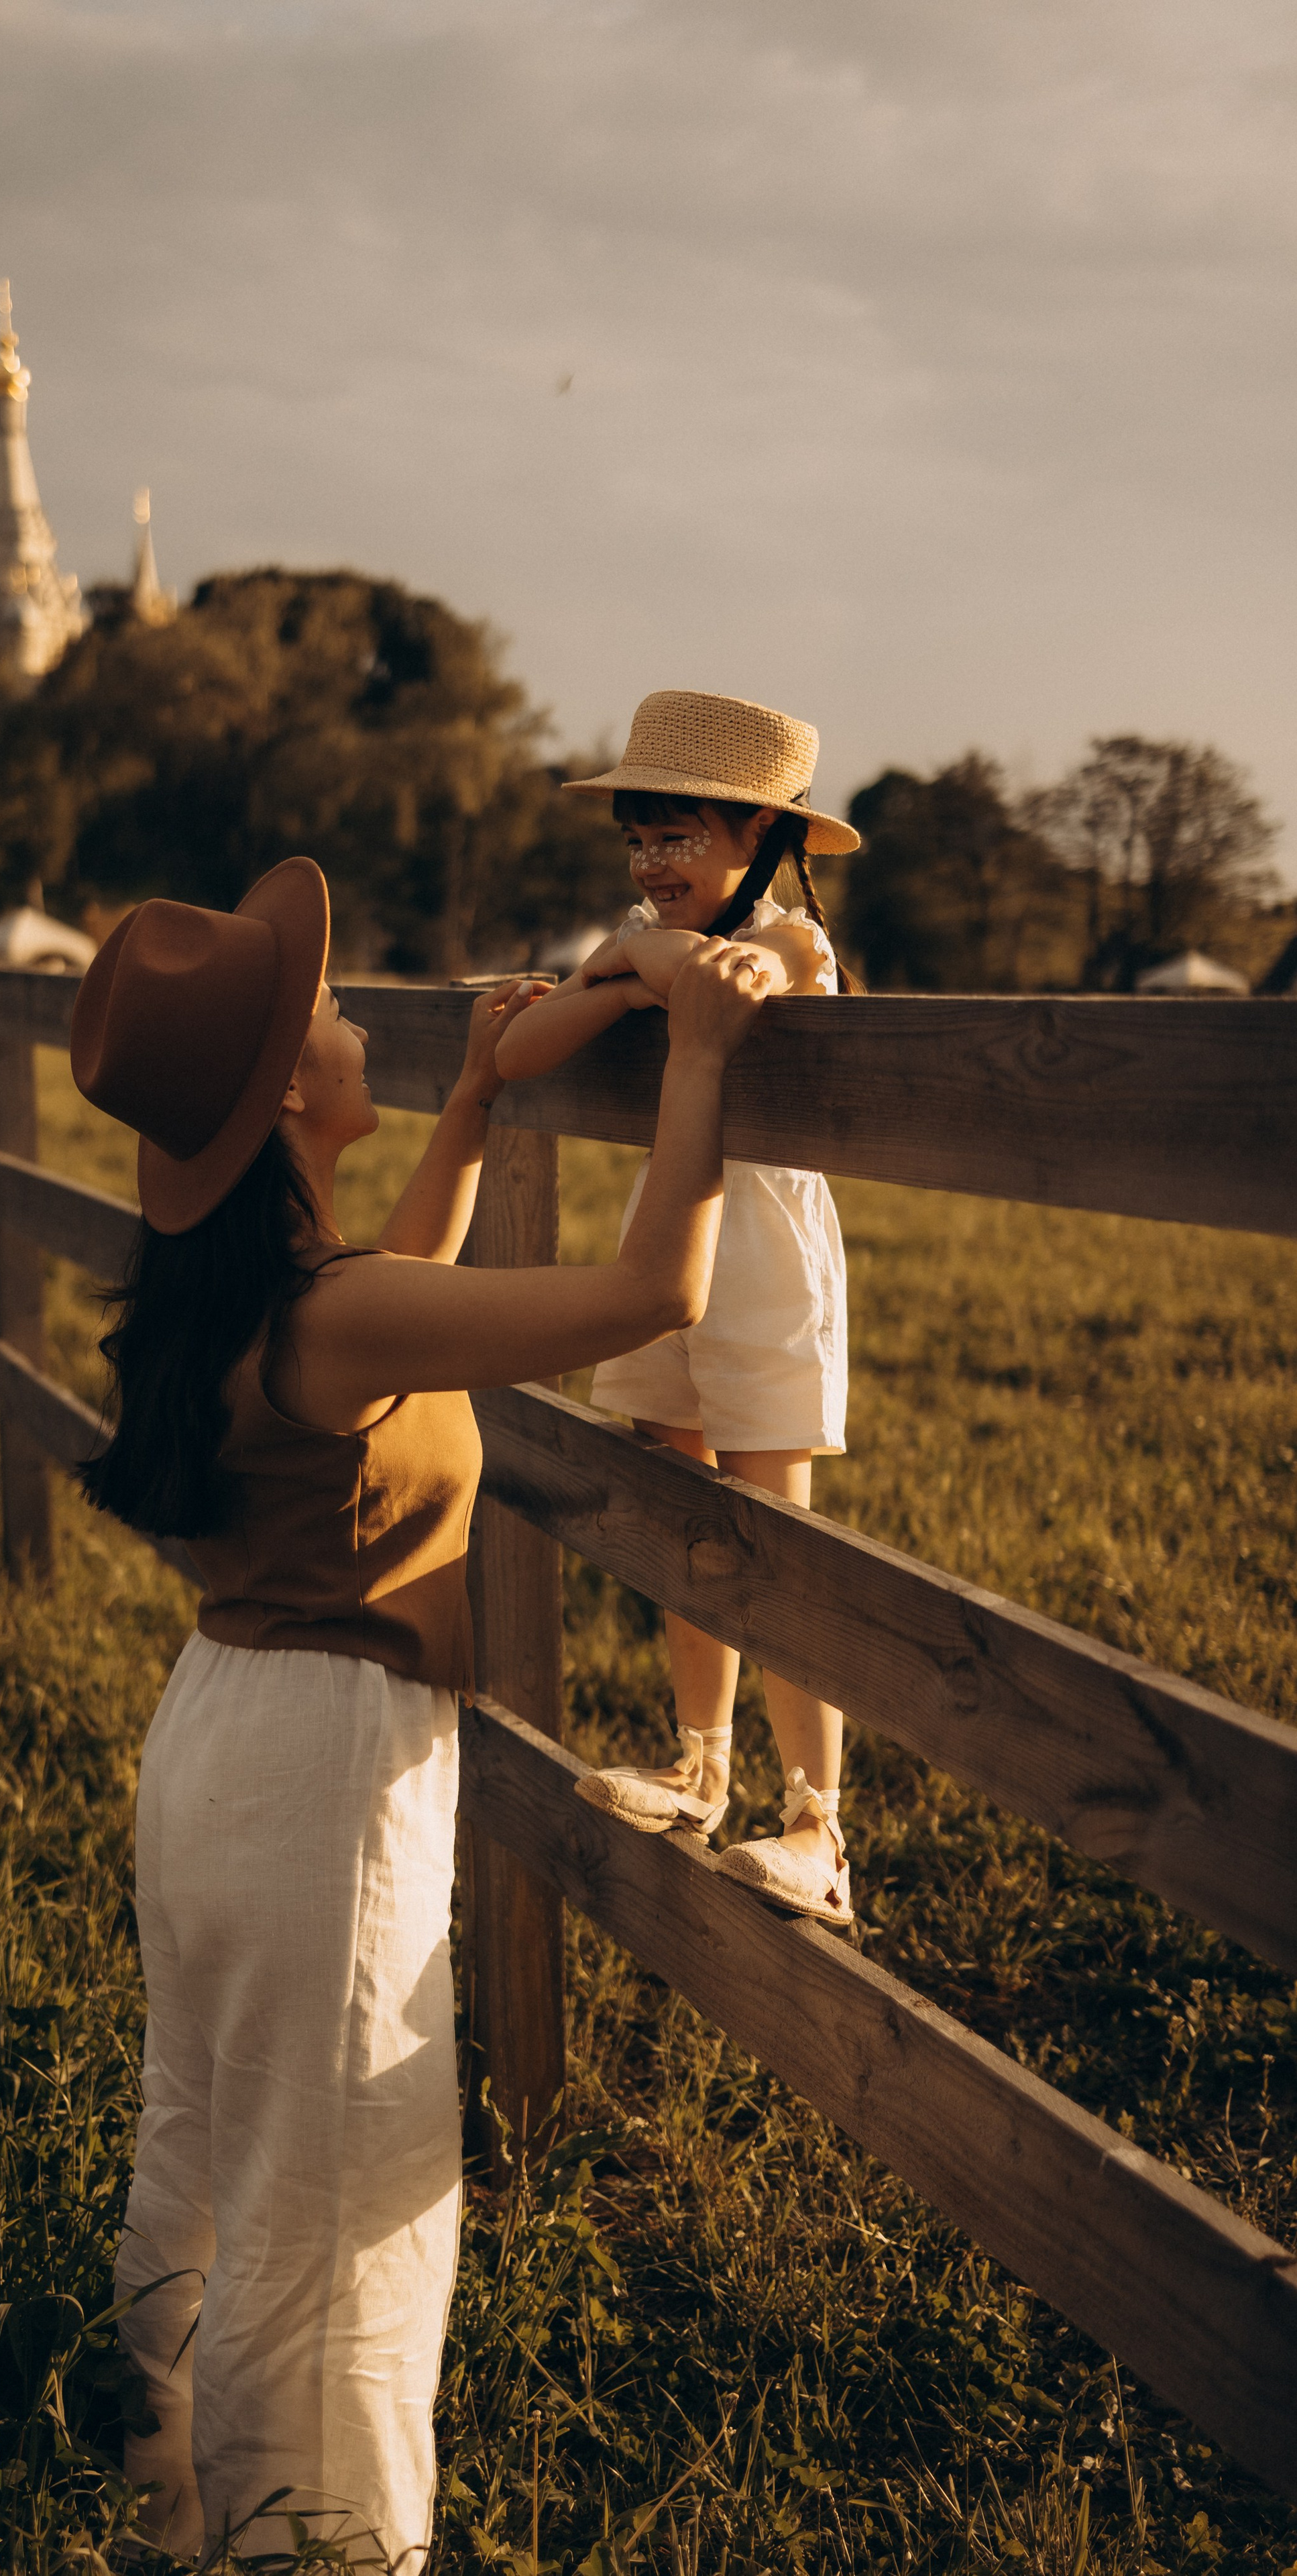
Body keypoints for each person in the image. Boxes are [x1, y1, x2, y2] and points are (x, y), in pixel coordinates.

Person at [69, 855, 770, 2566]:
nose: (348, 1012)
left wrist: (468, 1093)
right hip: (321, 1767)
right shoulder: (335, 1309)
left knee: (213, 2126)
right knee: (335, 2201)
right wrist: (696, 1046)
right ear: (290, 1096)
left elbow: (402, 1294)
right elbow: (648, 1303)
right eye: (322, 1012)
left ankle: (168, 2492)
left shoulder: (265, 1294)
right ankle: (315, 2545)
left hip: (223, 1733)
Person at [494, 689, 861, 1930]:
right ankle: (701, 1766)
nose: (651, 867)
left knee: (777, 1540)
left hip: (764, 1265)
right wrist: (624, 966)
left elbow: (753, 979)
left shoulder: (796, 943)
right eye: (637, 842)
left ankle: (819, 1822)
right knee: (679, 1507)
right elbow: (518, 1055)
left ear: (763, 838)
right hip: (670, 1247)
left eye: (679, 838)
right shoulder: (654, 941)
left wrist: (630, 962)